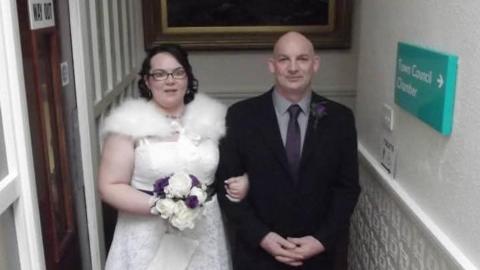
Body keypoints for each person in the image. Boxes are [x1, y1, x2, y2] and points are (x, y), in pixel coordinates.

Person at [217, 31, 361, 270]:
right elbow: (226, 187)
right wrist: (262, 237)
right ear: (272, 66)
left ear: (315, 64)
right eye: (284, 59)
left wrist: (320, 240)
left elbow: (347, 189)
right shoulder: (240, 116)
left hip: (319, 256)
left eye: (302, 59)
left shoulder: (340, 119)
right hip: (258, 256)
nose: (293, 68)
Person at [98, 44, 247, 270]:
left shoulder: (211, 120)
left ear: (187, 78)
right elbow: (110, 185)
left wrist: (244, 181)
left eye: (178, 73)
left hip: (204, 231)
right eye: (160, 74)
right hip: (146, 235)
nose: (170, 80)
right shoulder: (128, 125)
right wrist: (161, 206)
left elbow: (230, 168)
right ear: (147, 81)